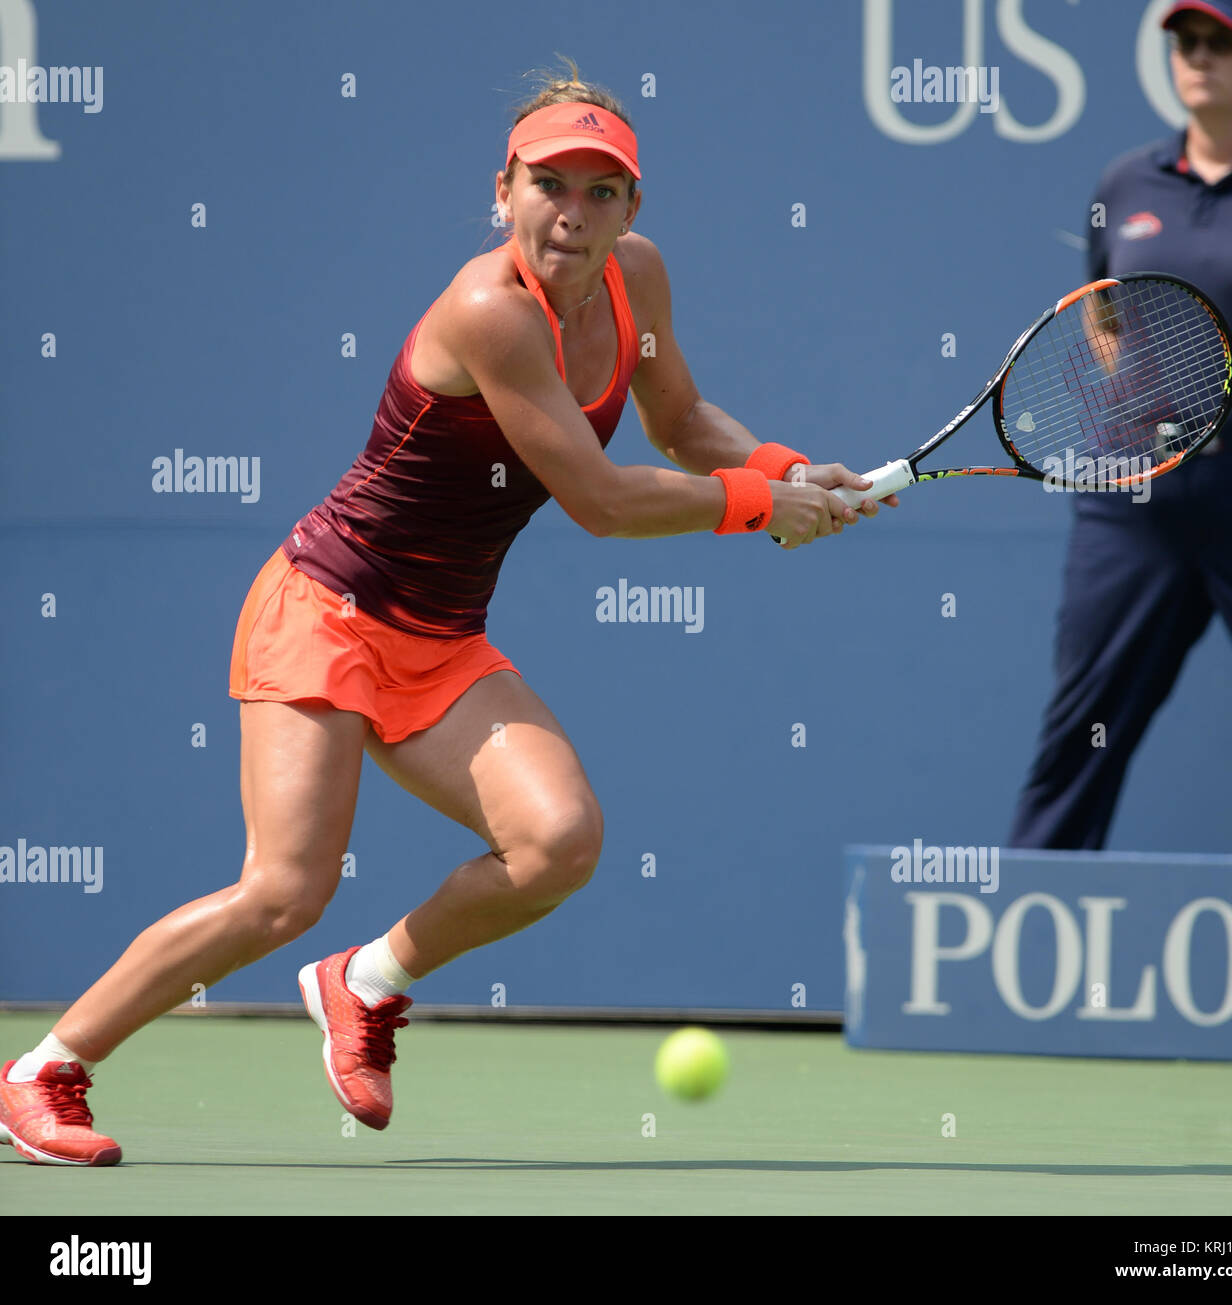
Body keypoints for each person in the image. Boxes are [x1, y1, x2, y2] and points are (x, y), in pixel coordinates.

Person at [0, 64, 898, 1166]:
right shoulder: (489, 311)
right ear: (503, 190)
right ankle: (46, 1070)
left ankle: (365, 981)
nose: (571, 212)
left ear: (632, 209)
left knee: (556, 843)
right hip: (325, 608)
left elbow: (676, 420)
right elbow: (604, 503)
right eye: (547, 184)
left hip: (438, 633)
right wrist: (765, 510)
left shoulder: (636, 282)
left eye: (600, 191)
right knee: (285, 891)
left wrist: (788, 467)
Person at [1009, 0, 1232, 849]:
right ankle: (1021, 951)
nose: (1198, 55)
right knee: (1079, 736)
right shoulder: (1127, 183)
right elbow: (1105, 314)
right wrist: (1145, 407)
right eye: (1185, 40)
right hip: (1133, 500)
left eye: (1221, 40)